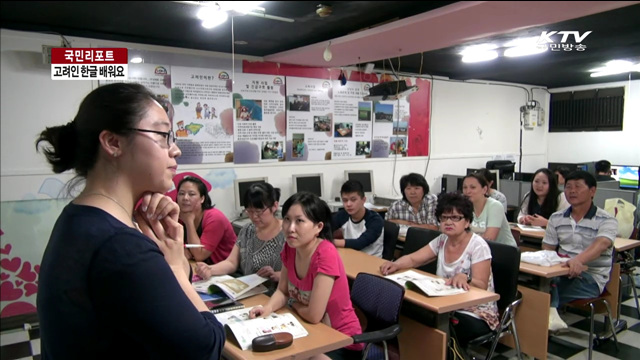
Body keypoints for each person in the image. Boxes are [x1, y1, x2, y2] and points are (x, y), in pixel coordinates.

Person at [35, 83, 225, 359]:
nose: (175, 151)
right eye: (162, 135)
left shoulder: (78, 219)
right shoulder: (121, 247)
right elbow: (205, 347)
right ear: (113, 143)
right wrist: (172, 265)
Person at [249, 192, 363, 359]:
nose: (290, 228)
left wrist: (292, 303)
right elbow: (282, 291)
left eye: (299, 221)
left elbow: (314, 315)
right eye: (287, 219)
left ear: (318, 227)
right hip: (309, 330)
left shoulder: (325, 254)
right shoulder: (290, 247)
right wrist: (268, 308)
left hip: (341, 341)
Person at [380, 192, 499, 347]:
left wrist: (466, 278)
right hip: (443, 304)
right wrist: (396, 264)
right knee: (407, 312)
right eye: (444, 217)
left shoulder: (478, 246)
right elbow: (413, 259)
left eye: (455, 218)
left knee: (435, 329)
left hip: (475, 312)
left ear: (467, 222)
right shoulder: (442, 240)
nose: (448, 222)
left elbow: (481, 285)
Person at [542, 171, 617, 331]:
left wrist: (578, 261)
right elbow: (547, 249)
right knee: (534, 283)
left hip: (591, 277)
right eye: (568, 187)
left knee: (543, 291)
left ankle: (547, 317)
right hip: (561, 272)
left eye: (578, 186)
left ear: (592, 191)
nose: (572, 191)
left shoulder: (606, 219)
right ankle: (549, 316)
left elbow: (602, 243)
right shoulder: (556, 218)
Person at [195, 182, 285, 291]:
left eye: (259, 211)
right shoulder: (247, 230)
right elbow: (231, 262)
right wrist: (209, 269)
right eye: (249, 211)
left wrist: (278, 275)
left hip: (279, 295)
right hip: (251, 292)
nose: (254, 216)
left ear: (275, 206)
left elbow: (305, 272)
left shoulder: (288, 233)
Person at [176, 173, 237, 264]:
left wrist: (189, 222)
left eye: (191, 194)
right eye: (181, 194)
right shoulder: (178, 213)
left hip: (224, 270)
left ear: (202, 199)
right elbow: (168, 242)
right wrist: (182, 248)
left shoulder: (215, 218)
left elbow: (199, 255)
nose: (185, 198)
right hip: (198, 267)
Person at [331, 180, 384, 257]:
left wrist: (329, 242)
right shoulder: (343, 215)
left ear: (363, 200)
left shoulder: (375, 220)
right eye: (345, 200)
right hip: (351, 256)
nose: (348, 204)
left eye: (353, 200)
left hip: (371, 261)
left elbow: (359, 243)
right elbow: (325, 228)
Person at [462, 173, 517, 247]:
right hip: (476, 250)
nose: (467, 191)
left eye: (473, 187)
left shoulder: (495, 206)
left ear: (484, 189)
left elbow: (489, 239)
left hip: (503, 252)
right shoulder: (464, 207)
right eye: (465, 187)